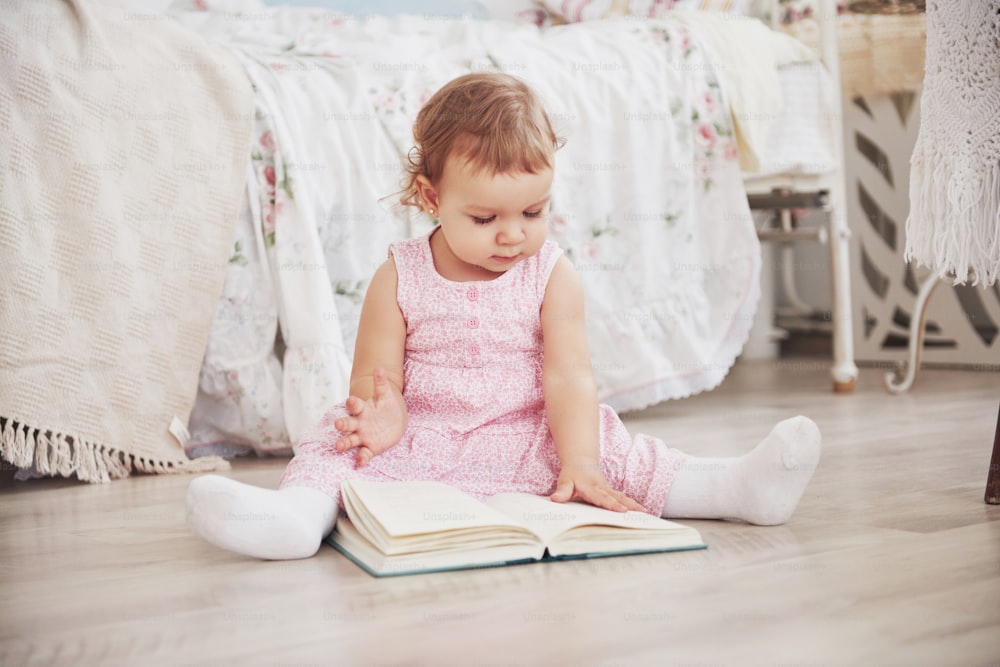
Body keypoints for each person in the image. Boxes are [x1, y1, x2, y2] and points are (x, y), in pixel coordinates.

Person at [186, 72, 822, 560]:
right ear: (432, 199)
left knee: (614, 452)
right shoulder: (398, 276)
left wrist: (579, 461)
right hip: (422, 436)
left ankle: (735, 489)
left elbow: (570, 378)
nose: (513, 235)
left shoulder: (551, 276)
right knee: (333, 446)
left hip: (528, 432)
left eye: (534, 212)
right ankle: (296, 519)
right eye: (486, 219)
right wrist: (380, 419)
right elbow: (377, 383)